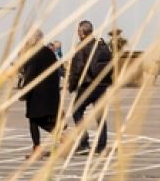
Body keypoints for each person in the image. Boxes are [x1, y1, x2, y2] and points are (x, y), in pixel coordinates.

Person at [66, 20, 113, 154]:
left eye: (78, 31)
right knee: (100, 115)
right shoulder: (102, 44)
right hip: (102, 84)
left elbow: (78, 68)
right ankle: (102, 145)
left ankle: (84, 141)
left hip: (87, 85)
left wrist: (72, 85)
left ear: (82, 33)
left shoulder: (82, 46)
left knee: (76, 110)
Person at [17, 30, 61, 158]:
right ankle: (62, 139)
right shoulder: (49, 52)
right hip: (50, 92)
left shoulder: (34, 54)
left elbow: (29, 75)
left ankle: (37, 148)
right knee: (42, 120)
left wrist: (24, 92)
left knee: (34, 119)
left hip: (37, 93)